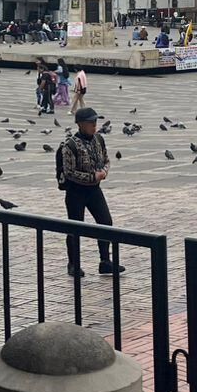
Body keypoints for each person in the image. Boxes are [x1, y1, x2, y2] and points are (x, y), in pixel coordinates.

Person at [58, 107, 121, 278]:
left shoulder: (98, 139)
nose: (94, 125)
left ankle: (105, 261)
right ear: (80, 124)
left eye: (95, 122)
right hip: (76, 192)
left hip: (94, 190)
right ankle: (73, 263)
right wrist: (92, 176)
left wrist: (104, 172)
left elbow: (106, 159)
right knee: (75, 227)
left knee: (105, 221)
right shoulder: (70, 145)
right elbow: (69, 172)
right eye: (90, 123)